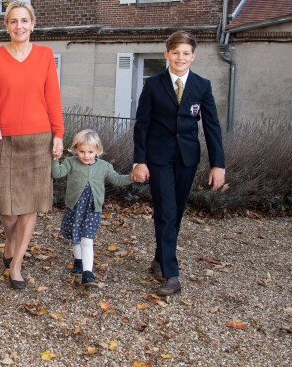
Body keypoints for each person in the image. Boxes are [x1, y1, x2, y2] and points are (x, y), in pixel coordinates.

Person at [131, 30, 225, 296]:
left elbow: (212, 126)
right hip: (158, 159)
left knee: (175, 213)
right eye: (175, 53)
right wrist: (140, 161)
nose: (180, 58)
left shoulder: (201, 86)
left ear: (193, 56)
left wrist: (218, 164)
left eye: (186, 53)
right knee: (167, 211)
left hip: (187, 159)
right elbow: (142, 126)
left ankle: (160, 259)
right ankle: (171, 275)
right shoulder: (153, 84)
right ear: (167, 55)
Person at [0, 0, 64, 290]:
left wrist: (59, 134)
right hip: (4, 139)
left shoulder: (45, 55)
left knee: (30, 205)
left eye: (24, 20)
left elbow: (53, 97)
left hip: (39, 137)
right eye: (13, 21)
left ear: (33, 24)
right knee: (8, 209)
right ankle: (10, 238)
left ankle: (16, 264)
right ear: (6, 26)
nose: (19, 26)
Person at [52, 129, 132, 287]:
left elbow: (117, 179)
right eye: (82, 151)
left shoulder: (104, 166)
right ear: (75, 149)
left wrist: (132, 176)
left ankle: (88, 274)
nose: (86, 155)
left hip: (92, 209)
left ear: (98, 151)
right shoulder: (71, 162)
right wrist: (55, 159)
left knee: (87, 240)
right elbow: (57, 173)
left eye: (90, 151)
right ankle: (78, 261)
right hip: (74, 207)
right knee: (76, 237)